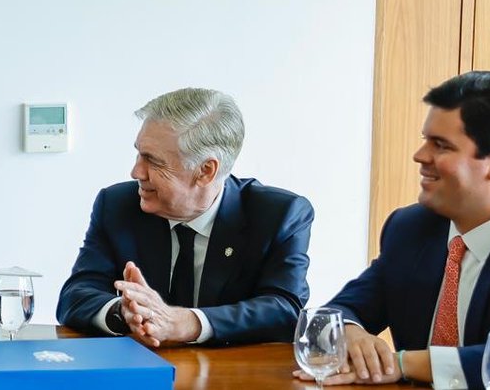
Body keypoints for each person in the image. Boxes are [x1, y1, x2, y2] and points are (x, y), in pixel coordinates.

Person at [301, 71, 490, 388]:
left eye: (441, 145)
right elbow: (329, 317)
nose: (420, 156)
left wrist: (403, 363)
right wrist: (349, 332)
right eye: (425, 139)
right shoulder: (410, 228)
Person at [57, 87, 313, 346]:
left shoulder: (279, 215)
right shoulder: (117, 205)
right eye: (138, 153)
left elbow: (284, 309)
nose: (136, 172)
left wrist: (186, 323)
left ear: (205, 171)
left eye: (153, 161)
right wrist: (124, 312)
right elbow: (75, 295)